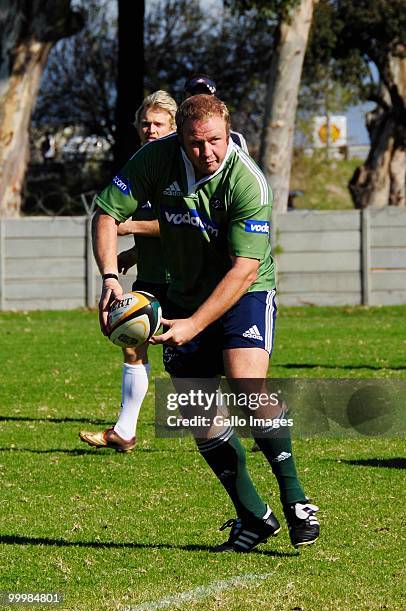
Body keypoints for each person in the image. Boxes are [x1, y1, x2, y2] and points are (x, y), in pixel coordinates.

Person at [91, 94, 320, 551]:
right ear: (181, 137)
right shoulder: (156, 157)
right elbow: (105, 214)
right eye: (195, 143)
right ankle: (254, 516)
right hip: (182, 291)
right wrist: (111, 279)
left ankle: (296, 498)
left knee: (247, 389)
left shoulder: (247, 181)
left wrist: (194, 324)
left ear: (226, 131)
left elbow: (245, 269)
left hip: (245, 290)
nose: (206, 152)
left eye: (214, 141)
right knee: (200, 410)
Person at [79, 90, 177, 452]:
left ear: (174, 126)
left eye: (158, 124)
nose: (150, 129)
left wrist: (132, 229)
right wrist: (134, 254)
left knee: (211, 358)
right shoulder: (141, 163)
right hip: (151, 273)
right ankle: (125, 431)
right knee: (132, 344)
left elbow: (184, 226)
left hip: (188, 277)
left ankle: (265, 416)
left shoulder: (186, 163)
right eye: (145, 123)